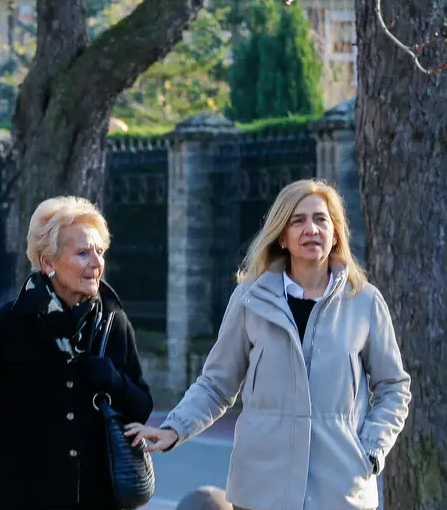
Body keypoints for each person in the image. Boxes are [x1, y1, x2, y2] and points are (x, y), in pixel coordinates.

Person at [125, 178, 411, 510]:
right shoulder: (250, 299)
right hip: (261, 490)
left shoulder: (364, 302)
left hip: (341, 491)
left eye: (321, 219)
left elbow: (393, 387)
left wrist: (372, 449)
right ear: (282, 236)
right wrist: (174, 427)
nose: (311, 229)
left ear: (335, 233)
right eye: (298, 220)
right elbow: (217, 384)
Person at [0, 196, 154, 509]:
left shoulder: (112, 321)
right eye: (83, 253)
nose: (96, 263)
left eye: (99, 251)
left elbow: (142, 407)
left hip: (99, 499)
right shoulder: (9, 325)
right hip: (26, 498)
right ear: (48, 262)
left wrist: (113, 380)